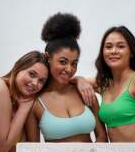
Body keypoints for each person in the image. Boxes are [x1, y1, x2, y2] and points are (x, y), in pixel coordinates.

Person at [25, 13, 107, 143]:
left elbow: (102, 136)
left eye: (74, 63)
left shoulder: (85, 92)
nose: (69, 69)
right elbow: (33, 149)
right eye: (63, 62)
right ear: (48, 58)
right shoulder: (35, 101)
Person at [74, 26, 135, 142]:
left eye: (121, 46)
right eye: (108, 47)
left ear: (132, 52)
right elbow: (68, 81)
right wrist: (80, 80)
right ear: (103, 52)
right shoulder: (103, 84)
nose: (113, 51)